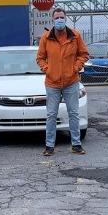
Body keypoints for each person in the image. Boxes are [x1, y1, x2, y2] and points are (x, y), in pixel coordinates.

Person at [36, 8, 90, 156]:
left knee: (73, 113)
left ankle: (76, 144)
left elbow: (84, 54)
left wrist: (76, 67)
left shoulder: (75, 36)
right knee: (51, 114)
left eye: (61, 17)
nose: (59, 20)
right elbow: (40, 58)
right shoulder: (46, 38)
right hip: (52, 83)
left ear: (65, 19)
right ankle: (49, 145)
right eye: (57, 17)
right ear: (52, 20)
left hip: (71, 81)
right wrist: (48, 69)